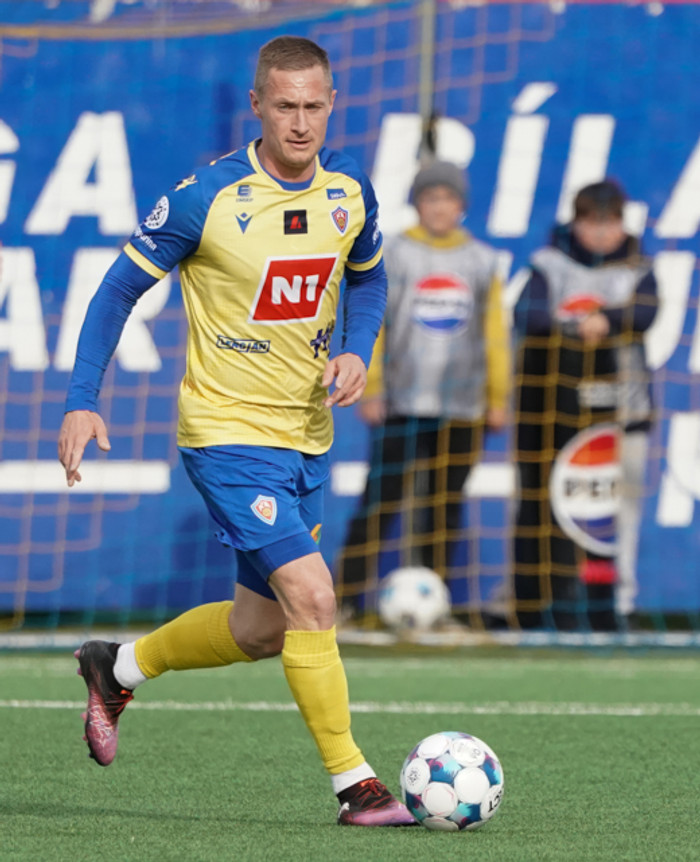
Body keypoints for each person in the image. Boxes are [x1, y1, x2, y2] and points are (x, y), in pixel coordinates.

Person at [58, 35, 415, 827]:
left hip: (306, 435)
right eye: (284, 106)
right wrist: (83, 397)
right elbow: (115, 292)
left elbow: (369, 277)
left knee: (261, 630)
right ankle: (357, 786)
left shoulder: (349, 189)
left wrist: (357, 349)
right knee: (314, 597)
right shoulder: (206, 198)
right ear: (257, 105)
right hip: (226, 434)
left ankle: (116, 667)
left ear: (333, 103)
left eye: (313, 106)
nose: (300, 123)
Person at [336, 161, 509, 621]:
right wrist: (371, 385)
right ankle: (345, 599)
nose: (439, 208)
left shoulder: (481, 260)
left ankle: (435, 602)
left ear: (461, 206)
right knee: (380, 501)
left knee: (445, 507)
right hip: (402, 402)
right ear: (417, 204)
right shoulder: (394, 253)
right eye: (431, 198)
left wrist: (496, 397)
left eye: (448, 199)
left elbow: (495, 332)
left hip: (463, 406)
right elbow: (374, 320)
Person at [512, 179, 657, 631]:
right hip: (555, 414)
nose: (601, 233)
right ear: (576, 223)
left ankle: (617, 602)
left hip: (624, 413)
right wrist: (577, 325)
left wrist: (606, 319)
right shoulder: (550, 263)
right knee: (543, 506)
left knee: (616, 511)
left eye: (610, 223)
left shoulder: (637, 267)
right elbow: (527, 313)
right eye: (592, 222)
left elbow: (647, 312)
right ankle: (543, 601)